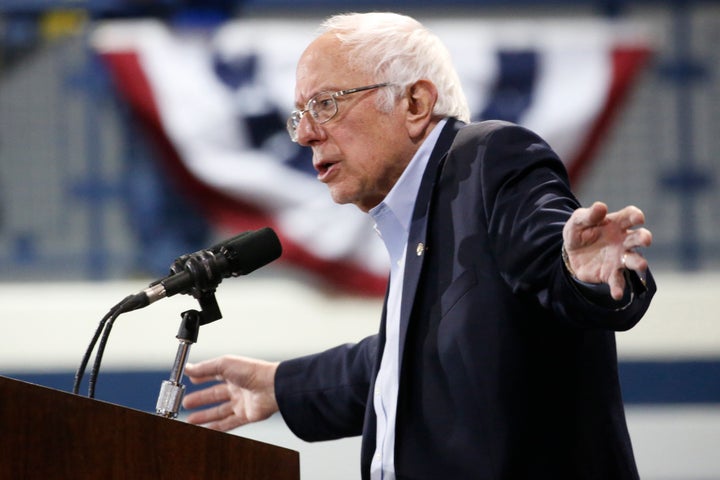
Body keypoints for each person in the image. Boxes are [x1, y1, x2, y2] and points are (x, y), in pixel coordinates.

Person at [182, 12, 656, 480]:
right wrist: (280, 386)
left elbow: (554, 263)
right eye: (299, 115)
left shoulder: (489, 159)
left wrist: (578, 271)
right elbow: (407, 358)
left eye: (325, 105)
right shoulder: (418, 215)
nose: (306, 133)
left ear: (415, 102)